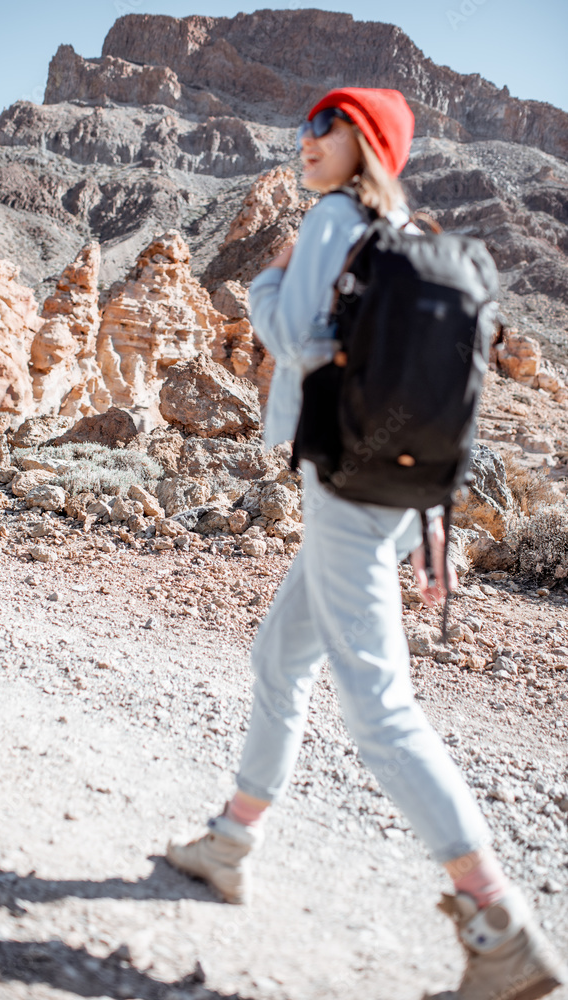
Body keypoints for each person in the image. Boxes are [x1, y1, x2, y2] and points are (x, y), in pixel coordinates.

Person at [166, 88, 566, 1000]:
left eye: (322, 128)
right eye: (302, 126)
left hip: (342, 482)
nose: (302, 142)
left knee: (378, 709)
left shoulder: (329, 224)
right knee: (279, 658)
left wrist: (266, 278)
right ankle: (230, 842)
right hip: (385, 486)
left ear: (364, 143)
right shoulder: (392, 235)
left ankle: (497, 924)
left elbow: (298, 341)